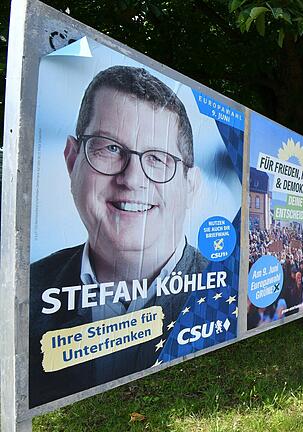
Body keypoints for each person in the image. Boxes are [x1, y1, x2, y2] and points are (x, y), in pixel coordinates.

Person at [29, 65, 208, 406]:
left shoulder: (225, 289)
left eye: (158, 158)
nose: (132, 178)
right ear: (71, 160)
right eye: (110, 149)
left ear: (191, 186)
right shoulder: (24, 294)